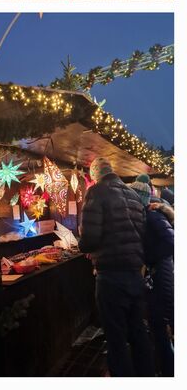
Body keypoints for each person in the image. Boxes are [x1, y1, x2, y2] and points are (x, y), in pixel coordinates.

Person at [79, 157, 154, 376]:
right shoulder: (133, 195)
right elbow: (141, 234)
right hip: (135, 275)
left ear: (95, 174)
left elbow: (90, 240)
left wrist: (82, 242)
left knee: (116, 338)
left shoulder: (96, 192)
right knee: (138, 332)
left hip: (111, 277)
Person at [130, 180, 174, 376]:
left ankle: (169, 371)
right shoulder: (146, 215)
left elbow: (173, 242)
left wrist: (150, 258)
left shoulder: (153, 216)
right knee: (158, 326)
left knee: (163, 324)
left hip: (162, 274)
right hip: (158, 274)